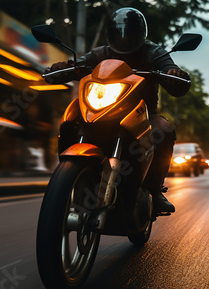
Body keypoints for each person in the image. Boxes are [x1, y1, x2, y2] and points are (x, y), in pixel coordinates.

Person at [46, 7, 191, 213]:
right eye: (119, 33)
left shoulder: (154, 52)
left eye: (130, 33)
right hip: (101, 109)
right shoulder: (101, 53)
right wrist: (63, 68)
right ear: (111, 34)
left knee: (163, 128)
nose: (124, 38)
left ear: (140, 33)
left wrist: (173, 74)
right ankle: (69, 170)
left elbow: (169, 69)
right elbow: (80, 65)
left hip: (141, 113)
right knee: (72, 116)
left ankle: (155, 190)